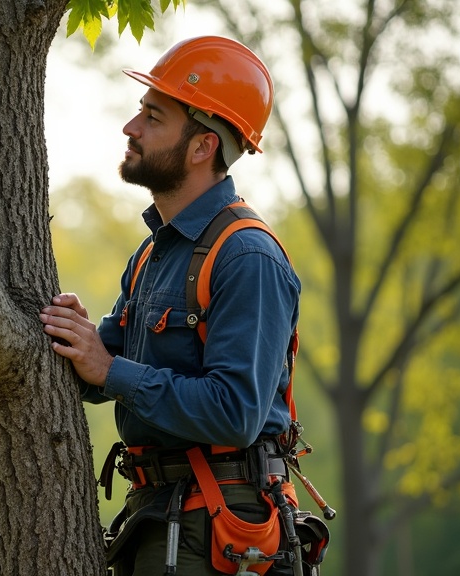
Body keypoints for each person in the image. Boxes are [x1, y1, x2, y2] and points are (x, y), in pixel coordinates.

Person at [40, 36, 303, 575]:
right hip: (163, 516)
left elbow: (235, 413)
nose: (130, 128)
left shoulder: (247, 257)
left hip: (221, 530)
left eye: (153, 117)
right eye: (141, 112)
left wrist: (110, 369)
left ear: (203, 146)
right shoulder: (154, 252)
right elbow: (104, 367)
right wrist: (74, 340)